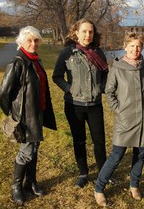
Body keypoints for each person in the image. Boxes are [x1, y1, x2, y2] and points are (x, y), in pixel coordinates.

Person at [94, 32, 144, 206]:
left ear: (141, 48)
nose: (135, 49)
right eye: (132, 46)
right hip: (125, 120)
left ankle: (134, 185)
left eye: (138, 46)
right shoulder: (117, 68)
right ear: (125, 47)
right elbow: (109, 91)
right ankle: (99, 188)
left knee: (140, 155)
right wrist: (118, 110)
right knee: (116, 156)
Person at [0, 26, 57, 205]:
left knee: (34, 147)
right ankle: (16, 186)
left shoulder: (35, 60)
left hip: (38, 112)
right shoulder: (18, 62)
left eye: (36, 40)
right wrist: (13, 114)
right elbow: (3, 93)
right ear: (21, 42)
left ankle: (30, 182)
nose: (33, 43)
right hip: (25, 117)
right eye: (29, 40)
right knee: (26, 151)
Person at [52, 18, 109, 188]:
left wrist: (102, 87)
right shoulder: (67, 53)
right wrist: (69, 88)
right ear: (76, 33)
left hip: (95, 104)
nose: (87, 35)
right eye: (84, 31)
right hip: (74, 105)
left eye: (90, 32)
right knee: (79, 140)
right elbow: (56, 76)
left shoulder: (98, 52)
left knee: (99, 141)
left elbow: (106, 74)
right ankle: (83, 173)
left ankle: (103, 173)